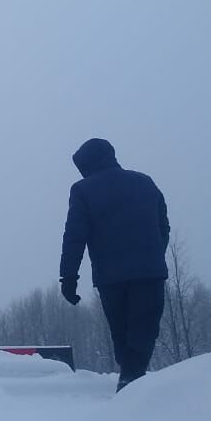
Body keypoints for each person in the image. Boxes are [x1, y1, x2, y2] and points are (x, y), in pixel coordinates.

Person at [59, 138, 170, 392]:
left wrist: (69, 278)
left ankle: (130, 384)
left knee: (121, 331)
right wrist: (153, 254)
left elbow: (75, 236)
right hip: (150, 272)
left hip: (111, 276)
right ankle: (133, 382)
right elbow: (163, 225)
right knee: (144, 328)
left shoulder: (83, 190)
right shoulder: (145, 182)